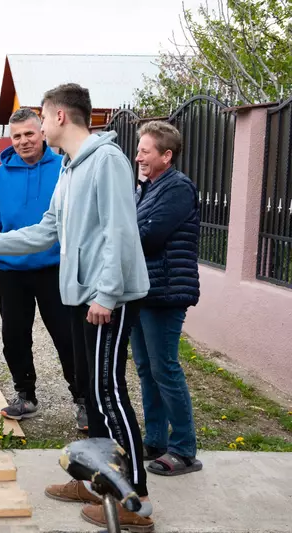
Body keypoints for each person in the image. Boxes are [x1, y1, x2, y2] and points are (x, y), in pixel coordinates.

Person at [0, 83, 154, 531]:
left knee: (109, 395)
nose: (38, 128)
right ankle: (97, 481)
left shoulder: (105, 161)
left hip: (104, 299)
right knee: (92, 387)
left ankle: (136, 495)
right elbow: (45, 230)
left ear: (60, 117)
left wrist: (106, 294)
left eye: (42, 120)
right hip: (81, 296)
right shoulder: (71, 167)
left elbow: (120, 234)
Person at [0, 107, 87, 429]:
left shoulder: (62, 168)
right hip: (12, 272)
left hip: (54, 269)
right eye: (17, 136)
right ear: (10, 139)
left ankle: (82, 399)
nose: (23, 141)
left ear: (41, 132)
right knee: (14, 336)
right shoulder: (2, 175)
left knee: (67, 336)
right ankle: (25, 395)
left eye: (29, 134)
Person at [132, 121, 202, 476]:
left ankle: (184, 448)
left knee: (165, 369)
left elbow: (149, 236)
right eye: (139, 150)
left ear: (166, 155)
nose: (138, 156)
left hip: (167, 291)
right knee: (147, 370)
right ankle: (156, 439)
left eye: (145, 151)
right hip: (145, 290)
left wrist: (119, 234)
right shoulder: (148, 187)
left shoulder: (177, 188)